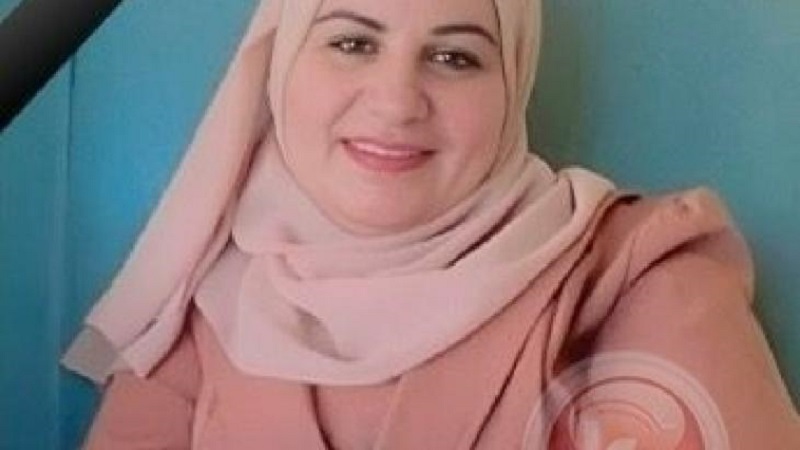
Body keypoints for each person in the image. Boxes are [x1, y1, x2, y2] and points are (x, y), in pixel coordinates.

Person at [63, 0, 800, 448]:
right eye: (353, 42)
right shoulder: (205, 316)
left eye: (454, 56)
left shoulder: (634, 278)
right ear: (283, 63)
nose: (396, 100)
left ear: (513, 81)